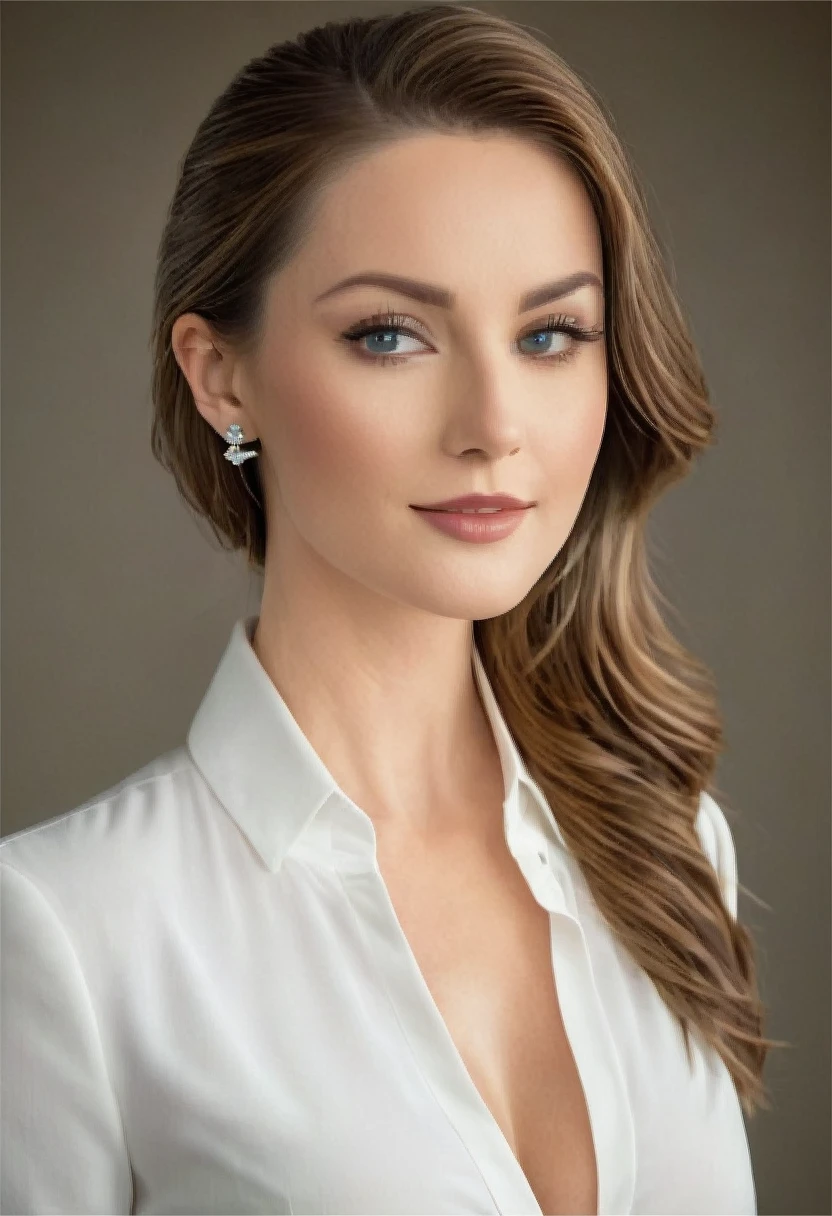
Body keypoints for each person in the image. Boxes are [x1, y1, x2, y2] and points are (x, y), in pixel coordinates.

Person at [1, 5, 783, 1214]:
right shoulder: (65, 935)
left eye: (549, 333)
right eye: (390, 335)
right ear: (223, 377)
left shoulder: (672, 848)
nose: (493, 425)